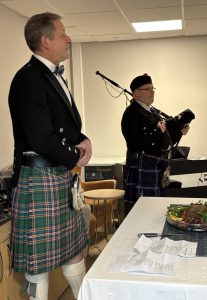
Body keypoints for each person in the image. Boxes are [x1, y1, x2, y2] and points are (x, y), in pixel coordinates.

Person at [8, 12, 92, 300]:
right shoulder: (28, 79)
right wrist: (75, 156)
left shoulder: (51, 75)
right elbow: (41, 139)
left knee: (73, 250)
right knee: (38, 265)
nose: (68, 39)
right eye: (62, 34)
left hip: (58, 175)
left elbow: (63, 126)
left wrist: (83, 140)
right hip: (39, 178)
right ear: (45, 41)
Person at [121, 74, 189, 213]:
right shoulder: (131, 113)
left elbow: (166, 139)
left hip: (155, 166)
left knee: (154, 208)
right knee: (142, 210)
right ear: (136, 94)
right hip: (143, 165)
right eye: (147, 89)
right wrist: (159, 132)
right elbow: (135, 142)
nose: (152, 92)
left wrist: (179, 131)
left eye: (153, 88)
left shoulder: (153, 112)